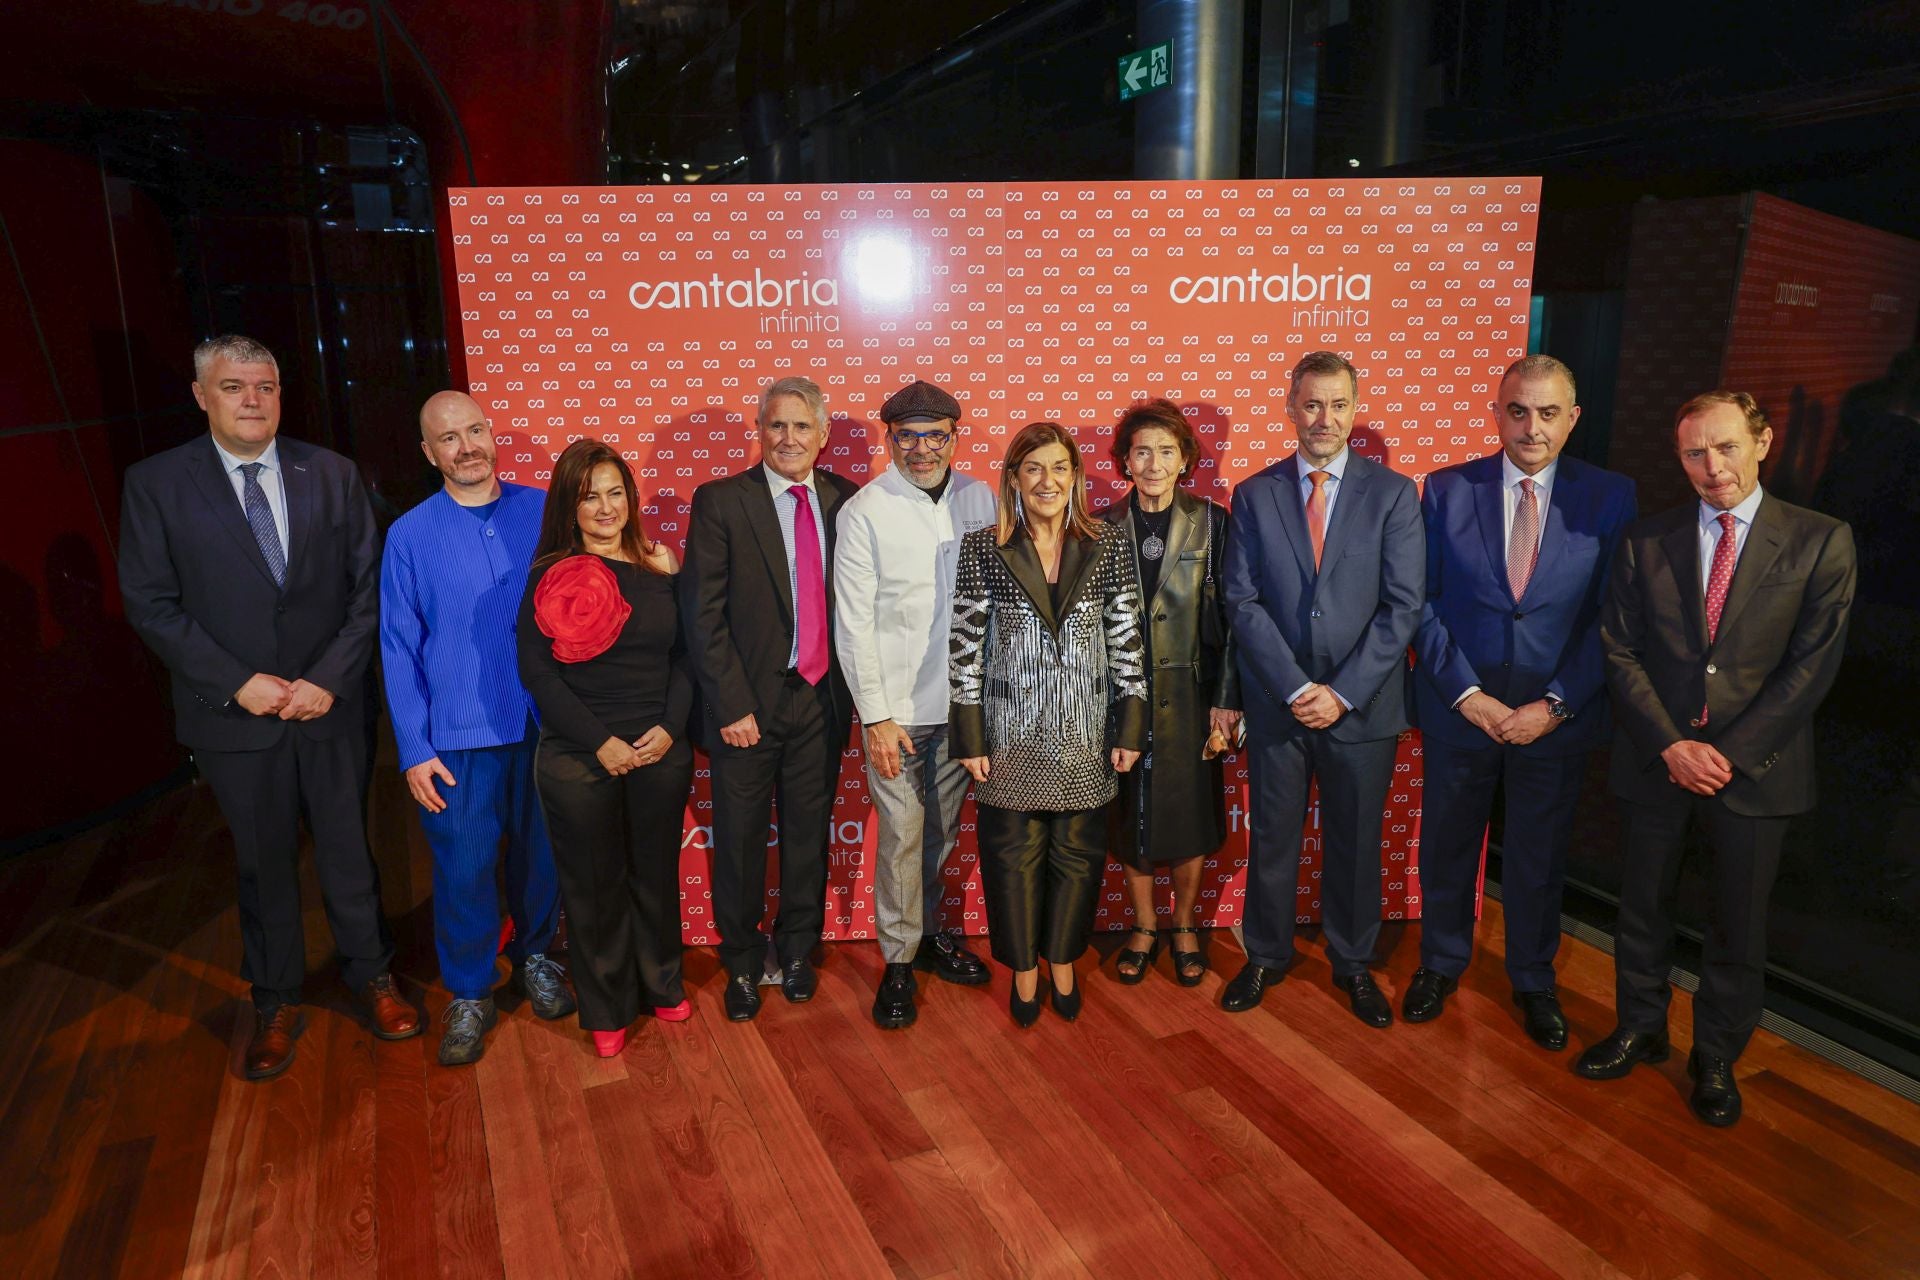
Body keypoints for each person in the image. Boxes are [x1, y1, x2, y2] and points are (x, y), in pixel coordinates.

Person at [118, 334, 418, 1080]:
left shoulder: (334, 473)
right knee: (263, 866)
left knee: (350, 850)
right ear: (202, 396)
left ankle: (372, 976)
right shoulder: (156, 484)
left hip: (329, 709)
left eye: (266, 386)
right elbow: (151, 604)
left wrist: (330, 678)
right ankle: (276, 997)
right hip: (235, 719)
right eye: (234, 387)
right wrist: (235, 681)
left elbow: (367, 588)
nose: (253, 400)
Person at [1576, 391, 1856, 1127]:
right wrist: (1671, 745)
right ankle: (1639, 1027)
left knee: (1737, 924)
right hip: (1657, 762)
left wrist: (1724, 757)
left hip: (1755, 774)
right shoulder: (1645, 540)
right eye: (1695, 452)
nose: (1712, 466)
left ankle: (1716, 1055)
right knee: (1641, 910)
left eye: (1726, 446)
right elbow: (1620, 650)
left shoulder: (1820, 541)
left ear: (1761, 443)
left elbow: (1811, 669)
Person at [1409, 356, 1637, 1046]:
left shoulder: (1612, 496)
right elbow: (1419, 603)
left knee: (1539, 856)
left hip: (1554, 721)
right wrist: (1466, 694)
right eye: (1517, 411)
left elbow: (1616, 617)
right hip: (1461, 713)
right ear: (1497, 413)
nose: (1530, 427)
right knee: (1447, 845)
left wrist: (1558, 703)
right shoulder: (1447, 489)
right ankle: (1440, 963)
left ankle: (1533, 978)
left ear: (1573, 418)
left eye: (1546, 413)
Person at [1220, 350, 1424, 1026]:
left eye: (1337, 404)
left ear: (1355, 409)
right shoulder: (1254, 494)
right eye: (1311, 404)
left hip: (1361, 708)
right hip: (1279, 706)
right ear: (1289, 408)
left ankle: (1353, 962)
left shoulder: (1393, 494)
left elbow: (1403, 605)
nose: (1323, 418)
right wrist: (1294, 686)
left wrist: (1340, 692)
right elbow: (1242, 601)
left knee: (1358, 843)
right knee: (1273, 840)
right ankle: (1266, 954)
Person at [380, 390, 572, 1067]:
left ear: (491, 435)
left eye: (474, 431)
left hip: (545, 723)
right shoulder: (408, 535)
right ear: (429, 453)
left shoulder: (545, 510)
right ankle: (467, 990)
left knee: (541, 856)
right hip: (457, 735)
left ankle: (538, 959)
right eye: (448, 438)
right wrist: (413, 748)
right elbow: (397, 647)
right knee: (463, 870)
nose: (466, 447)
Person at [950, 422, 1147, 1026]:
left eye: (1059, 467)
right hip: (1008, 735)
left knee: (1080, 856)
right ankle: (1025, 972)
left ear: (1076, 478)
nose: (1047, 480)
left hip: (1087, 734)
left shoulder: (1108, 543)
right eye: (1033, 468)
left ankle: (1062, 961)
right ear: (1014, 478)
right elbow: (964, 648)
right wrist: (971, 734)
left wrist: (1130, 726)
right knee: (1011, 858)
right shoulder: (984, 546)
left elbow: (1127, 640)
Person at [682, 376, 860, 1021]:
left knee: (809, 838)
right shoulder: (722, 501)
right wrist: (730, 705)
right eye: (776, 425)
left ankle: (795, 952)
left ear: (823, 435)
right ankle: (741, 961)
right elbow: (701, 614)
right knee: (740, 840)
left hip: (821, 702)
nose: (788, 438)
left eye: (801, 427)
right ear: (761, 431)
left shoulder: (849, 503)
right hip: (746, 709)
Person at [517, 440, 694, 1057]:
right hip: (579, 755)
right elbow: (538, 674)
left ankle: (660, 984)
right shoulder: (548, 574)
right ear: (569, 503)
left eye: (616, 492)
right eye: (589, 494)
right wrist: (601, 743)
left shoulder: (660, 564)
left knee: (653, 876)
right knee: (594, 888)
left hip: (658, 748)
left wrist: (671, 729)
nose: (604, 507)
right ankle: (607, 1009)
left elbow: (685, 659)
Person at [833, 379, 998, 1029]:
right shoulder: (866, 511)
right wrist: (875, 715)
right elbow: (853, 624)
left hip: (962, 708)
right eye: (908, 436)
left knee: (940, 836)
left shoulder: (981, 497)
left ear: (955, 436)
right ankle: (899, 965)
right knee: (902, 837)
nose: (922, 448)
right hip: (897, 714)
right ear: (889, 438)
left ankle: (929, 940)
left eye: (935, 435)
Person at [1096, 398, 1241, 988]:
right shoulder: (1101, 527)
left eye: (1166, 451)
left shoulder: (1215, 521)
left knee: (1189, 816)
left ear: (1185, 459)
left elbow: (1235, 621)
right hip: (1120, 699)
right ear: (1125, 461)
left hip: (1193, 697)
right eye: (1141, 451)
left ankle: (1183, 925)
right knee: (1130, 817)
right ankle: (1143, 926)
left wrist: (1227, 699)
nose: (1153, 463)